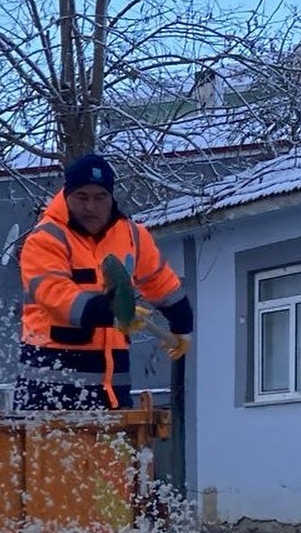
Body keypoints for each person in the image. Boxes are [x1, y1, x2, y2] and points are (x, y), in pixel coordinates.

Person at [16, 152, 193, 410]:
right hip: (50, 389)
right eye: (82, 197)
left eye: (100, 197)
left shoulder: (132, 235)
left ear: (111, 198)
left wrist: (182, 325)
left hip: (113, 390)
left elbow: (160, 282)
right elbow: (58, 297)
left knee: (120, 451)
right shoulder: (46, 239)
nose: (91, 206)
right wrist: (113, 312)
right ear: (67, 196)